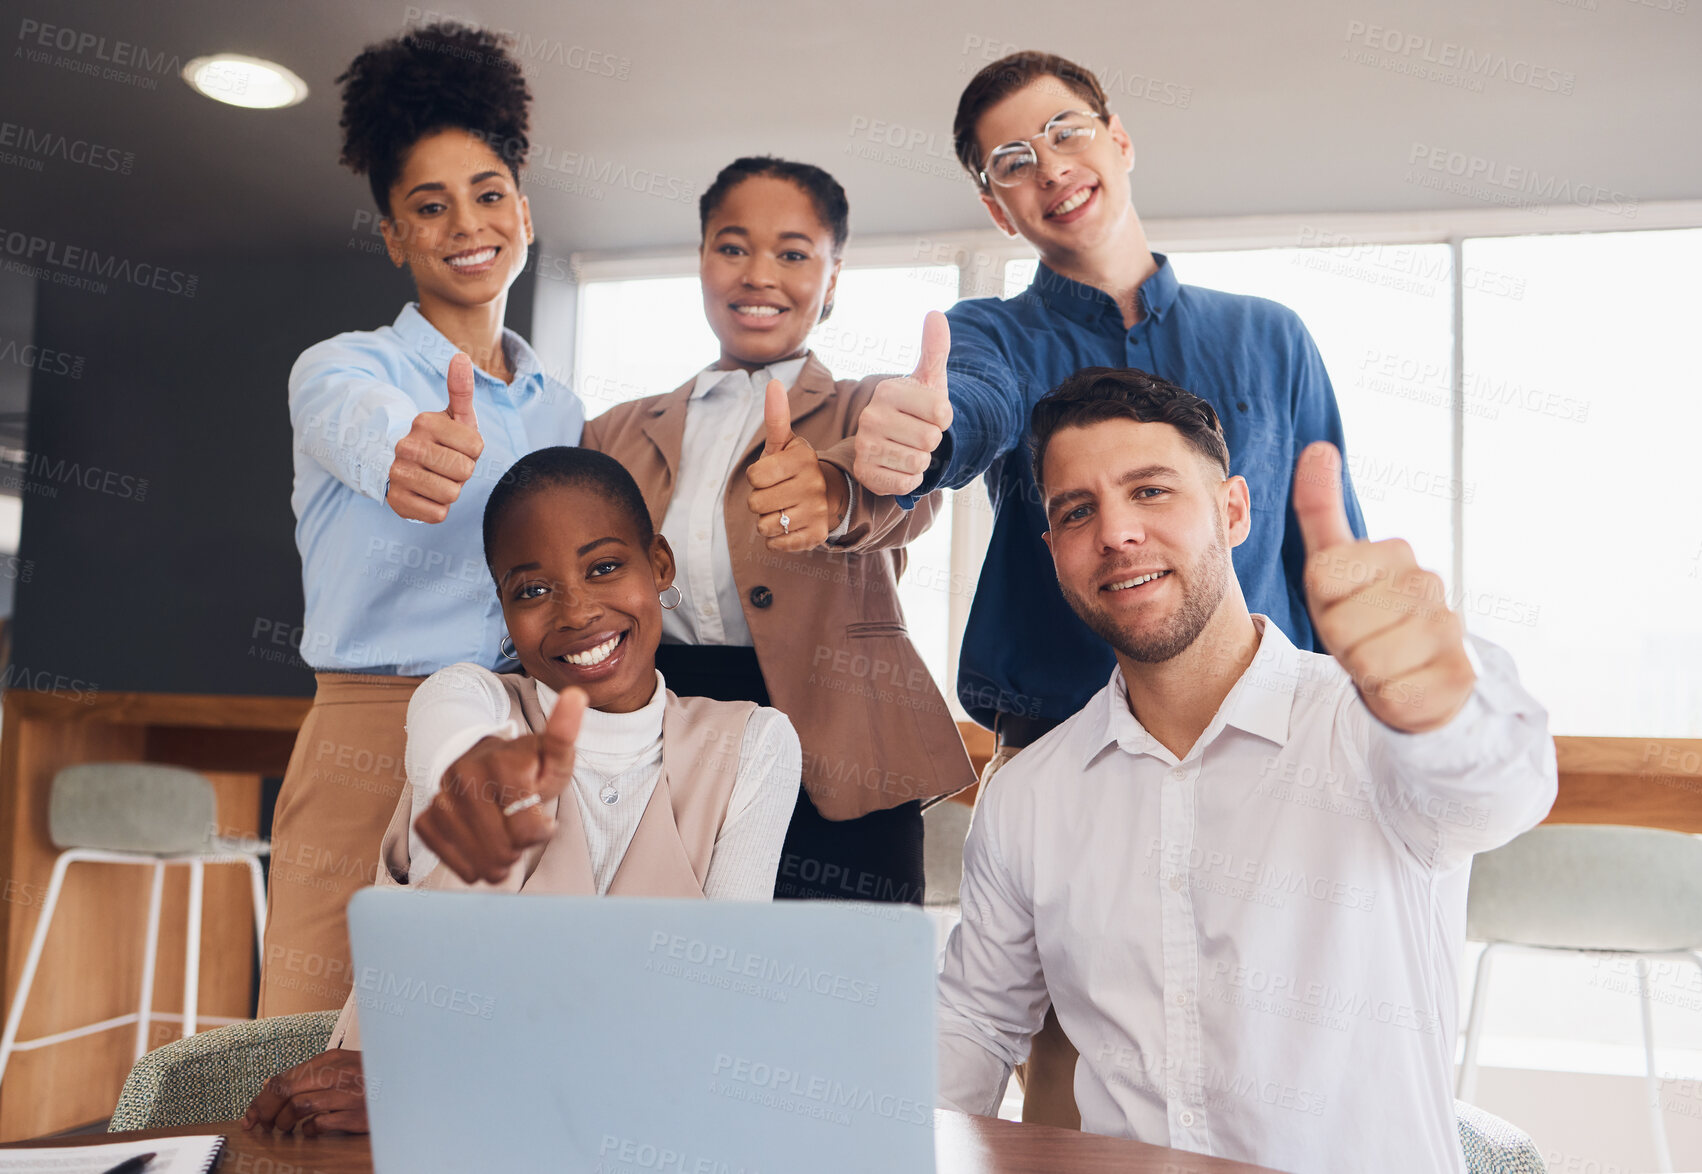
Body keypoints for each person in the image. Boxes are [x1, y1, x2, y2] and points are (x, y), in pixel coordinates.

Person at [850, 49, 1368, 1122]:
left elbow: (1333, 571)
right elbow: (968, 408)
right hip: (1060, 758)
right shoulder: (993, 339)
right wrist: (917, 439)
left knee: (1277, 1042)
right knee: (1076, 1072)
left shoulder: (1268, 339)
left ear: (1118, 139)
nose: (1050, 166)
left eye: (1066, 131)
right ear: (996, 208)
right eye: (1010, 160)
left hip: (1266, 760)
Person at [934, 368, 1557, 1173]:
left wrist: (1436, 702)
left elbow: (1502, 789)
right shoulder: (1028, 797)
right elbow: (975, 1024)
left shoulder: (1366, 730)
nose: (1117, 533)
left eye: (1151, 491)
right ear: (1055, 551)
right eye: (1077, 510)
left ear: (1234, 511)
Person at [242, 447, 801, 1136]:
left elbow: (713, 1020)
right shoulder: (467, 700)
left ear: (658, 565)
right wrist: (471, 776)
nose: (576, 610)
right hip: (401, 1121)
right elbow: (455, 746)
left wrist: (440, 1084)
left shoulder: (752, 745)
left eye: (603, 567)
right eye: (532, 590)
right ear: (503, 610)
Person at [265, 23, 582, 1016]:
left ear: (524, 214)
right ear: (396, 236)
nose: (466, 224)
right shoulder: (341, 369)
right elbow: (360, 428)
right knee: (315, 1040)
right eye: (429, 206)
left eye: (488, 194)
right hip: (369, 731)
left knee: (491, 1035)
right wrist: (404, 450)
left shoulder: (563, 413)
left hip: (515, 731)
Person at [582, 157, 973, 907]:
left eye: (793, 254)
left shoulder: (871, 409)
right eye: (732, 247)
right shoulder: (613, 431)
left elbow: (909, 500)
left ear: (832, 280)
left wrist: (840, 489)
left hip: (839, 752)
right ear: (701, 262)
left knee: (839, 1001)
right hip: (657, 738)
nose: (759, 274)